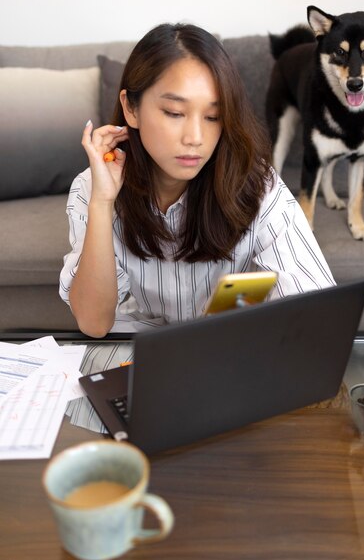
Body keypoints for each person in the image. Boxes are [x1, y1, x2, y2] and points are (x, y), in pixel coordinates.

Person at [59, 23, 335, 338]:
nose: (196, 138)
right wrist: (102, 201)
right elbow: (94, 323)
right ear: (130, 108)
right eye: (175, 113)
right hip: (138, 354)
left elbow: (318, 305)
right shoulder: (92, 187)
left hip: (229, 354)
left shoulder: (256, 182)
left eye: (213, 117)